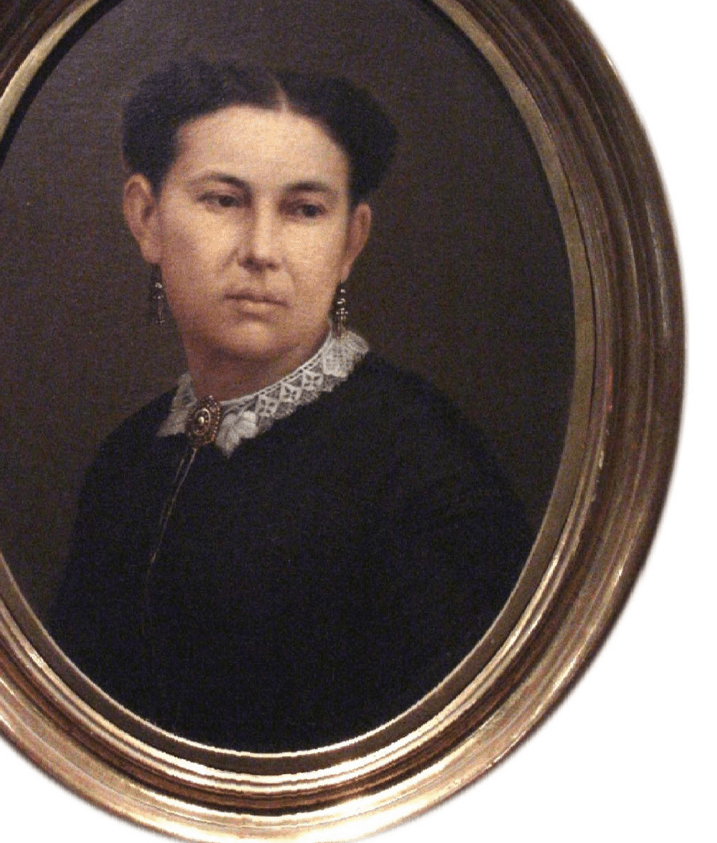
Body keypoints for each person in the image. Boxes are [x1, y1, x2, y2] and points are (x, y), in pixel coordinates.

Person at [49, 59, 532, 752]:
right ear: (146, 218)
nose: (261, 251)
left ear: (350, 241)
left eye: (304, 210)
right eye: (223, 201)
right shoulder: (128, 458)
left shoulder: (424, 471)